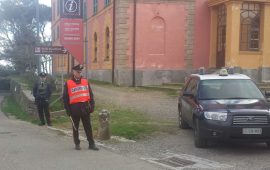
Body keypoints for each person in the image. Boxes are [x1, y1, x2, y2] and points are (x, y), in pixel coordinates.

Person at [62, 64, 99, 151]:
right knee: (75, 128)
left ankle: (91, 143)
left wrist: (92, 106)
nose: (79, 73)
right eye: (78, 72)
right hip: (74, 109)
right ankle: (77, 143)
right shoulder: (68, 83)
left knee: (88, 127)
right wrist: (68, 110)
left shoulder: (85, 81)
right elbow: (65, 98)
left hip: (85, 108)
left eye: (80, 72)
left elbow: (91, 95)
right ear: (73, 72)